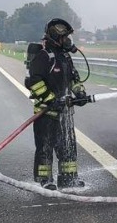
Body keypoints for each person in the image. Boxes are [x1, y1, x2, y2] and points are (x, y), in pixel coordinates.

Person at [24, 18, 90, 190]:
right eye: (65, 37)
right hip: (46, 113)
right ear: (56, 37)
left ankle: (68, 179)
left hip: (65, 113)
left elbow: (73, 78)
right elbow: (35, 81)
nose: (68, 41)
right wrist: (51, 99)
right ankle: (44, 180)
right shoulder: (44, 56)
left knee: (67, 146)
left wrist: (80, 93)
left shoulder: (65, 56)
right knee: (45, 147)